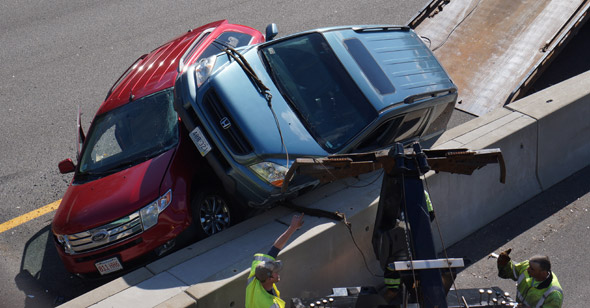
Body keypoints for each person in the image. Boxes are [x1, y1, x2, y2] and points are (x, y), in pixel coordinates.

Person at [245, 213, 304, 308]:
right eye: (275, 272)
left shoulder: (254, 278)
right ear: (269, 279)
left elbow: (275, 249)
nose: (278, 273)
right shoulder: (271, 305)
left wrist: (292, 228)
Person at [497, 249, 563, 307]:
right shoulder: (526, 267)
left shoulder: (554, 295)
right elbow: (511, 272)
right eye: (529, 265)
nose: (527, 269)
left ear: (542, 273)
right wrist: (505, 263)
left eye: (532, 269)